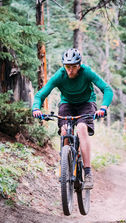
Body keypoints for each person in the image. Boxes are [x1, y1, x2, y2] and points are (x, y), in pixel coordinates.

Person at [32, 48, 114, 189]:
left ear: (79, 65)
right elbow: (40, 95)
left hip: (87, 103)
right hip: (67, 104)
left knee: (82, 128)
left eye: (74, 67)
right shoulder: (60, 75)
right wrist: (36, 108)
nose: (70, 70)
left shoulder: (86, 72)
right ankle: (65, 166)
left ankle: (88, 173)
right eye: (67, 67)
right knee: (64, 131)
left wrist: (103, 108)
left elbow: (107, 89)